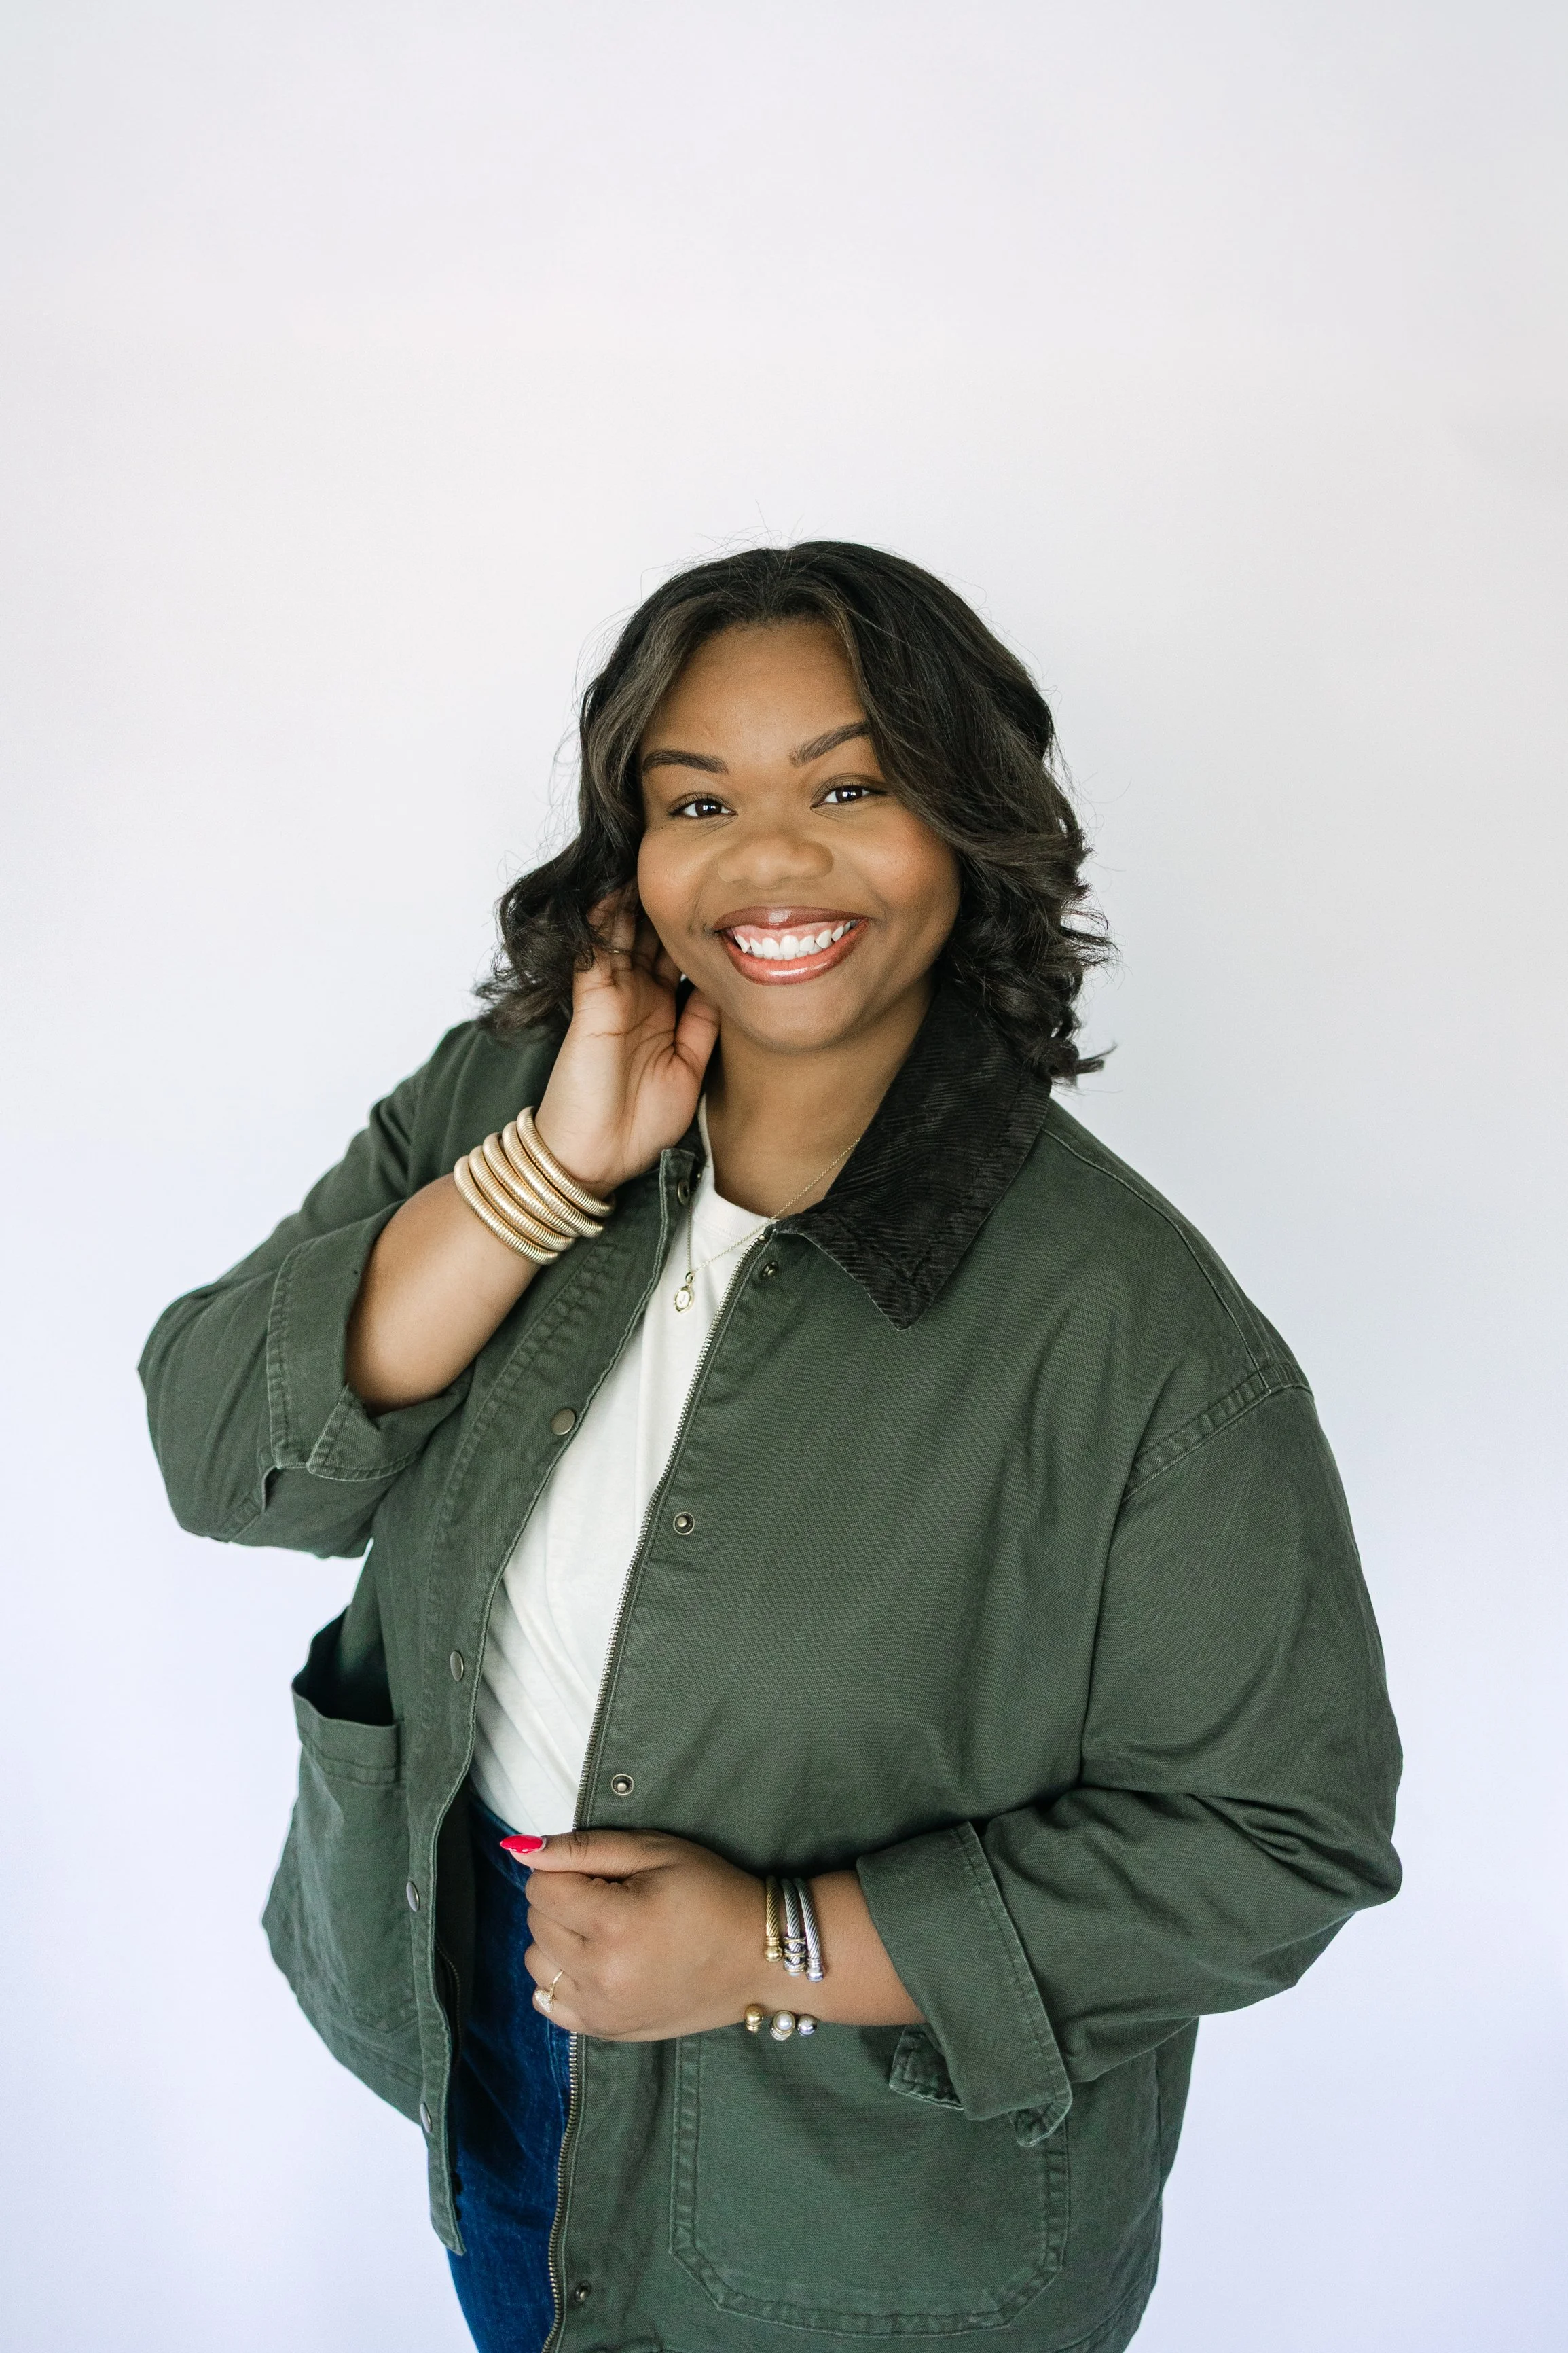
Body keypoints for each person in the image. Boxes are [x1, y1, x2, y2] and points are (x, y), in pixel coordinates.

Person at [140, 542, 1402, 2353]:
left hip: (868, 2205)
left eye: (849, 785)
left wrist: (772, 1949)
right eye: (698, 799)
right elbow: (218, 1454)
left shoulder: (1134, 1331)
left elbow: (1279, 1841)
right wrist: (551, 1175)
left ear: (968, 827)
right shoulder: (502, 1095)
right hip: (485, 2029)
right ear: (628, 852)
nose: (771, 857)